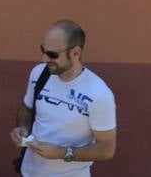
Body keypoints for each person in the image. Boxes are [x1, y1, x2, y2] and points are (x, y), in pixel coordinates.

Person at [9, 20, 116, 175]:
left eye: (52, 54)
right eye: (43, 50)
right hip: (29, 172)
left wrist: (63, 153)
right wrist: (23, 128)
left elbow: (106, 149)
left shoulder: (99, 94)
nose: (44, 59)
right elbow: (27, 110)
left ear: (75, 53)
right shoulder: (39, 73)